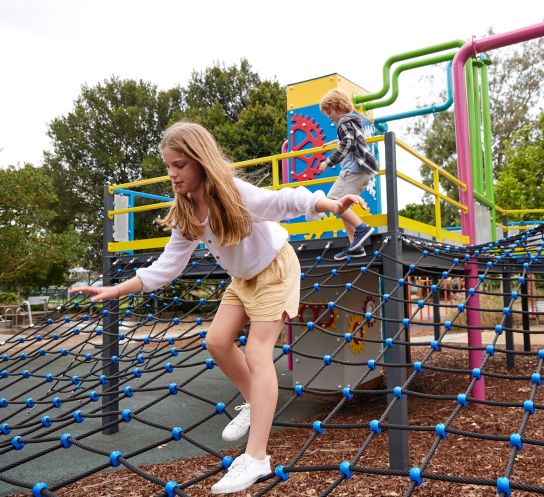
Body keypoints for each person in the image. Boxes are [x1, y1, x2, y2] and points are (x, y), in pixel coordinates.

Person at [70, 121, 367, 494]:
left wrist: (333, 205)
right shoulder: (186, 213)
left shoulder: (234, 194)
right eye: (168, 166)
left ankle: (257, 457)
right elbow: (167, 266)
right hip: (243, 279)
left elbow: (285, 201)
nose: (172, 174)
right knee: (216, 341)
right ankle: (252, 401)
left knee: (258, 353)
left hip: (275, 269)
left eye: (179, 165)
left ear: (200, 161)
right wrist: (116, 290)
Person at [318, 89, 379, 261]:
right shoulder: (352, 120)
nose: (329, 116)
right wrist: (333, 142)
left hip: (352, 171)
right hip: (363, 172)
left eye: (329, 112)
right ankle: (355, 245)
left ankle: (362, 228)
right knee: (344, 206)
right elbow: (351, 139)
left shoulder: (343, 121)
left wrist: (328, 162)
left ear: (337, 106)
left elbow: (347, 143)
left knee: (332, 202)